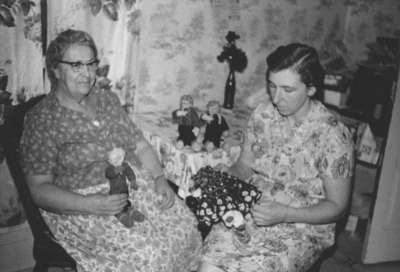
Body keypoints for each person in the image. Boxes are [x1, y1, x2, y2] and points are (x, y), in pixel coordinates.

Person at [20, 29, 202, 272]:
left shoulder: (108, 100)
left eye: (91, 64)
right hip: (81, 205)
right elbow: (39, 190)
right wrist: (90, 204)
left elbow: (139, 144)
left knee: (187, 229)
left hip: (134, 188)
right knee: (149, 256)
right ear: (55, 69)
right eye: (76, 65)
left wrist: (160, 179)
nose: (87, 73)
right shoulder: (42, 119)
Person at [198, 43, 354, 272]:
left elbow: (338, 206)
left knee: (254, 268)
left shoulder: (333, 136)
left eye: (288, 90)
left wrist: (285, 214)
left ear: (311, 89)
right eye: (272, 86)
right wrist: (226, 173)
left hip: (303, 226)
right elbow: (244, 167)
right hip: (251, 211)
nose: (276, 98)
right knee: (209, 265)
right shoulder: (262, 115)